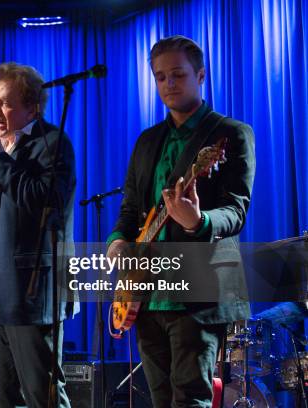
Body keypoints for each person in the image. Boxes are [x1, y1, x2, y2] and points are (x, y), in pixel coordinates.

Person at [106, 35, 256, 407]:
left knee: (190, 399)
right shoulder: (146, 141)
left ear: (201, 75)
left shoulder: (230, 134)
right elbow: (129, 211)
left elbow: (235, 211)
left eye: (177, 75)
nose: (168, 85)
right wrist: (117, 243)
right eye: (160, 77)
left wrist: (198, 221)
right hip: (147, 295)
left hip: (199, 291)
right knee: (159, 399)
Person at [0, 62, 77, 407]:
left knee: (41, 394)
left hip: (32, 293)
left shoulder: (51, 143)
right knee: (3, 398)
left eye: (7, 103)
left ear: (33, 107)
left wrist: (0, 160)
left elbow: (45, 203)